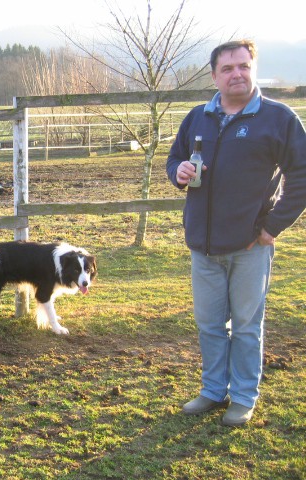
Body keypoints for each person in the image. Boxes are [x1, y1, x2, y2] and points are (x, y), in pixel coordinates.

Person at [166, 40, 306, 426]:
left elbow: (301, 176)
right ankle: (213, 391)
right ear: (214, 75)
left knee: (246, 326)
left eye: (243, 66)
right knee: (210, 325)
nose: (236, 74)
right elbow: (175, 158)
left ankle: (243, 396)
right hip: (203, 247)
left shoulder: (278, 119)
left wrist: (272, 227)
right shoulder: (197, 117)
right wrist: (177, 172)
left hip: (250, 247)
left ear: (253, 70)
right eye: (227, 68)